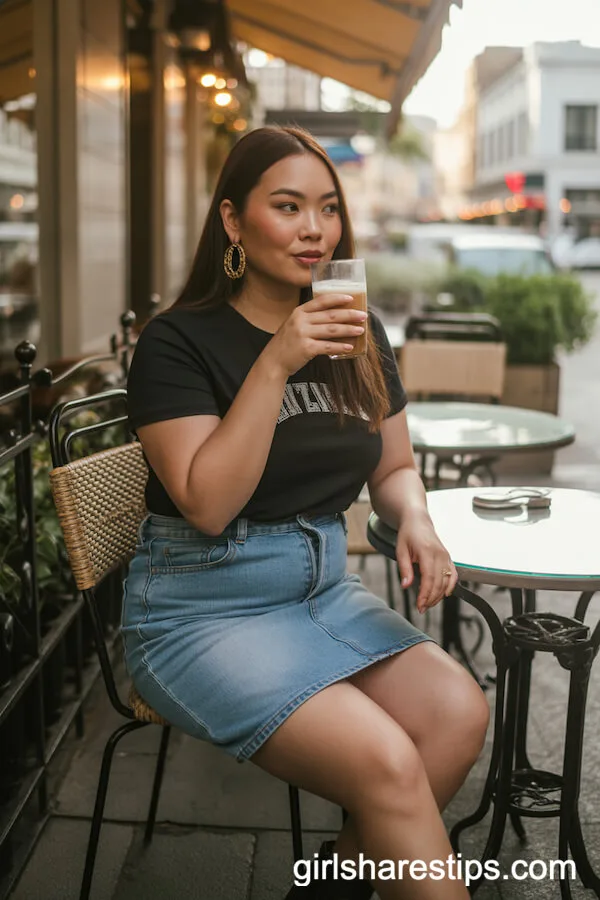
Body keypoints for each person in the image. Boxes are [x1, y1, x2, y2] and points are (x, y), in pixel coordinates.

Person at [122, 126, 490, 900]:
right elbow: (208, 505)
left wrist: (416, 519)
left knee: (459, 712)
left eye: (327, 208)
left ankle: (330, 889)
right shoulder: (176, 342)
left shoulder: (358, 329)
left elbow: (394, 467)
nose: (314, 229)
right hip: (202, 607)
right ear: (233, 220)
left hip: (321, 591)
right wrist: (278, 359)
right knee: (387, 762)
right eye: (287, 207)